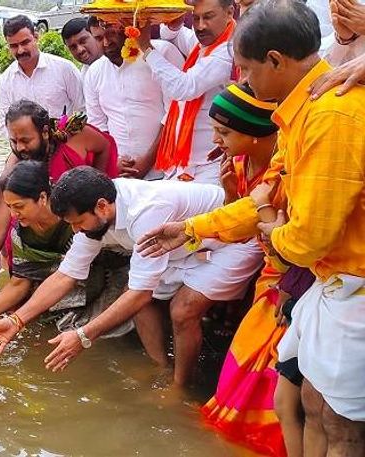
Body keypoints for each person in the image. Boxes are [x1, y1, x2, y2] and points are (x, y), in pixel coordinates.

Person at [140, 1, 365, 453]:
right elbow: (262, 200)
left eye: (246, 69)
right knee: (312, 401)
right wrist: (191, 229)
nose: (244, 81)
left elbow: (304, 241)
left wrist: (270, 232)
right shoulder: (302, 113)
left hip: (351, 287)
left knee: (341, 425)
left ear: (276, 61)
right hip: (330, 285)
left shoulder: (332, 117)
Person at [0, 167, 262, 387]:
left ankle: (180, 386)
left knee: (182, 310)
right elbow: (66, 275)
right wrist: (16, 320)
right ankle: (160, 366)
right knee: (137, 293)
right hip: (181, 250)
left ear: (102, 207)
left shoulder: (146, 213)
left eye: (78, 223)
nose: (76, 231)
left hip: (230, 241)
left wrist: (83, 336)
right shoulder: (95, 215)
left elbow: (141, 294)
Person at [137, 82, 303, 456]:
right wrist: (230, 194)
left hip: (293, 275)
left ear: (259, 136)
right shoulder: (240, 164)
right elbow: (240, 219)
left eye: (225, 132)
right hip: (264, 264)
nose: (215, 139)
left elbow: (286, 236)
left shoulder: (286, 173)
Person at [0, 100, 118, 309]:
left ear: (45, 132)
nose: (20, 148)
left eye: (26, 140)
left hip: (77, 230)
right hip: (37, 237)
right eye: (14, 141)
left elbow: (105, 146)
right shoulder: (14, 167)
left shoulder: (76, 137)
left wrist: (100, 180)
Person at [0, 161, 132, 337]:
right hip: (57, 290)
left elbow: (72, 271)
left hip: (104, 282)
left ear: (42, 198)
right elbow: (20, 282)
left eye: (19, 206)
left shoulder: (77, 220)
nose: (13, 215)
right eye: (9, 207)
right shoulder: (20, 233)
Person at [139, 0, 237, 183]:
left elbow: (184, 87)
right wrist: (174, 27)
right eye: (195, 18)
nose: (200, 26)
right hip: (185, 165)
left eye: (208, 17)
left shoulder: (228, 51)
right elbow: (175, 36)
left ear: (230, 13)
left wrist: (146, 49)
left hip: (210, 166)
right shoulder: (206, 43)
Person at [84, 21, 185, 179]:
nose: (106, 43)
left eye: (111, 34)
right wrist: (113, 160)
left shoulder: (161, 53)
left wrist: (146, 162)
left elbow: (176, 112)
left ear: (127, 29)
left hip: (167, 172)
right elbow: (97, 124)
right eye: (98, 38)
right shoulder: (94, 72)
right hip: (121, 176)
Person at [0, 15, 85, 137]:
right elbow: (4, 126)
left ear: (36, 37)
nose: (21, 50)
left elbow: (84, 110)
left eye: (25, 42)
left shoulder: (65, 69)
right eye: (14, 46)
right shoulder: (5, 81)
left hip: (66, 145)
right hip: (26, 152)